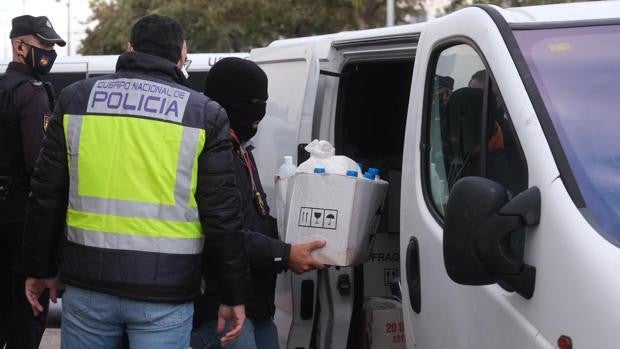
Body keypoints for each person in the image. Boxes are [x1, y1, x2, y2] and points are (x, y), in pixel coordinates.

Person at [21, 14, 251, 349]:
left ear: (130, 49)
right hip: (164, 295)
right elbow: (222, 215)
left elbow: (46, 195)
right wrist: (233, 293)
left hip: (88, 287)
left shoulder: (75, 100)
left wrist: (39, 267)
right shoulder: (204, 114)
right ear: (180, 57)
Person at [191, 57, 327, 349]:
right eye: (253, 102)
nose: (260, 113)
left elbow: (257, 219)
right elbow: (226, 232)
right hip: (220, 305)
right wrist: (285, 253)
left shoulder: (240, 148)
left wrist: (307, 235)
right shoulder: (212, 152)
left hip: (256, 304)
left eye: (264, 102)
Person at [0, 15, 65, 349]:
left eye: (52, 46)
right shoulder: (32, 92)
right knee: (26, 318)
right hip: (21, 223)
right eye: (43, 45)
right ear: (19, 45)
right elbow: (40, 167)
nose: (49, 53)